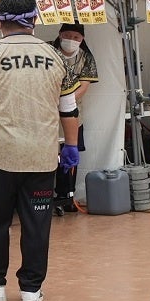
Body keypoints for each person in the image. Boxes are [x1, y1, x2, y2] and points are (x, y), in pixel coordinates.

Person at [0, 0, 83, 301]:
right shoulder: (57, 58)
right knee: (37, 224)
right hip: (41, 158)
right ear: (34, 21)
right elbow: (68, 108)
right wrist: (70, 146)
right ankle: (31, 289)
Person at [50, 22, 99, 215]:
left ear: (82, 40)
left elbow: (84, 86)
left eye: (76, 38)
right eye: (67, 35)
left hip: (72, 114)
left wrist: (64, 101)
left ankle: (66, 196)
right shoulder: (47, 51)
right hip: (45, 112)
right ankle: (44, 195)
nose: (71, 40)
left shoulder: (86, 58)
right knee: (48, 155)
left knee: (70, 156)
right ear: (60, 34)